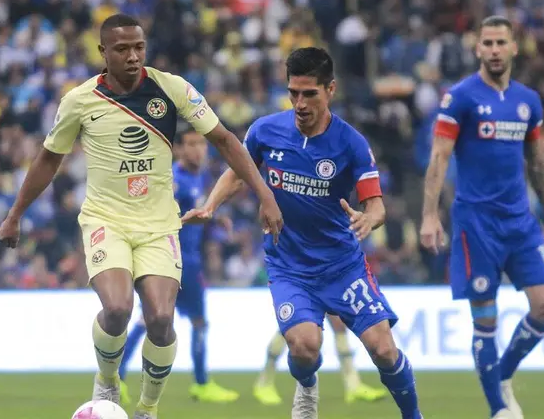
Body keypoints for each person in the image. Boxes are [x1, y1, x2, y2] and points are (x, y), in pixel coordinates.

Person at [0, 14, 282, 419]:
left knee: (162, 318)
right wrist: (15, 214)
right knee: (117, 308)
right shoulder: (80, 100)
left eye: (138, 47)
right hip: (105, 221)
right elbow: (47, 160)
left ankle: (147, 409)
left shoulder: (171, 88)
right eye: (122, 49)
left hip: (159, 224)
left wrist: (264, 194)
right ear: (103, 52)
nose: (132, 56)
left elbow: (224, 140)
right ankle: (108, 381)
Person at [183, 47, 423, 419]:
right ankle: (307, 388)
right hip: (289, 266)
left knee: (384, 351)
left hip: (342, 265)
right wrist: (212, 205)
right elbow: (239, 171)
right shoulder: (265, 131)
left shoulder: (351, 143)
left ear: (330, 90)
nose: (299, 103)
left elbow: (376, 206)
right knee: (305, 346)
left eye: (309, 93)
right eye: (293, 92)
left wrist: (368, 219)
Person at [420, 16, 544, 419]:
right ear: (477, 49)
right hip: (476, 223)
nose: (495, 50)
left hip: (521, 221)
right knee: (486, 319)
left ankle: (501, 374)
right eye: (488, 43)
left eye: (502, 42)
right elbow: (439, 157)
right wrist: (430, 215)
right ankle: (499, 408)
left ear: (514, 47)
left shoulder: (528, 101)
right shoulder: (461, 97)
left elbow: (537, 162)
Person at [117, 129, 239, 404]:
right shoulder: (172, 179)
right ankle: (201, 383)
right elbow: (155, 211)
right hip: (174, 261)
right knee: (182, 321)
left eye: (201, 144)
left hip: (188, 260)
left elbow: (194, 210)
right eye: (191, 144)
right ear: (179, 149)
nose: (198, 149)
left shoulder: (198, 177)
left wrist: (215, 220)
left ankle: (119, 377)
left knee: (154, 319)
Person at [254, 314, 388, 406]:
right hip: (301, 281)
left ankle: (353, 385)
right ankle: (264, 384)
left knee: (339, 326)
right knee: (290, 325)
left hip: (325, 279)